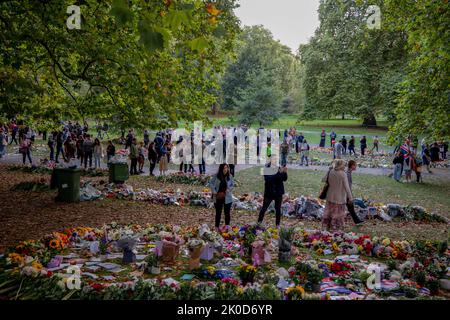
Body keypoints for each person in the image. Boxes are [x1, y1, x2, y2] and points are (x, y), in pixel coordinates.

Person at [321, 159, 353, 231]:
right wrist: (350, 198)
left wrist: (328, 171)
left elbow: (323, 180)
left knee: (329, 213)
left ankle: (326, 227)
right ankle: (336, 229)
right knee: (337, 215)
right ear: (341, 165)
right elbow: (347, 187)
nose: (345, 167)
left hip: (330, 196)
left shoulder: (331, 171)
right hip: (340, 198)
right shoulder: (343, 174)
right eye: (344, 165)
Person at [257, 160, 288, 228]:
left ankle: (277, 225)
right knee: (264, 208)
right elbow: (268, 179)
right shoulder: (265, 168)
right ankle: (259, 223)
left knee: (278, 209)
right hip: (269, 192)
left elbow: (284, 179)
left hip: (278, 192)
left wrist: (285, 172)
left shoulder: (279, 168)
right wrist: (279, 173)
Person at [209, 164, 234, 232]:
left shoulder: (230, 176)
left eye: (226, 168)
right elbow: (210, 183)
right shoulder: (216, 176)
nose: (225, 169)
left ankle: (227, 227)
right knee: (218, 213)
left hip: (227, 197)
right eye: (224, 168)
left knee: (227, 213)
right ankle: (216, 227)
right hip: (218, 197)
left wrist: (229, 189)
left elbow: (232, 185)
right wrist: (214, 191)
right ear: (221, 169)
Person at [346, 160, 363, 225]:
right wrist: (349, 195)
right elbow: (347, 186)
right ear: (352, 166)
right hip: (345, 194)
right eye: (355, 165)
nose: (356, 166)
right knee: (350, 207)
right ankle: (357, 221)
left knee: (351, 208)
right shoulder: (347, 174)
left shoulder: (349, 173)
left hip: (346, 194)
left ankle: (357, 221)